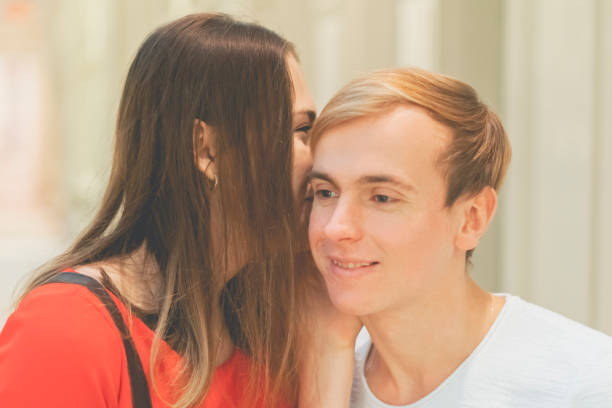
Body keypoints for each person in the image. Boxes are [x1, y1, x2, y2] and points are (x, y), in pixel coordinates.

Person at [0, 13, 316, 408]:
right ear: (206, 149)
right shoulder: (66, 328)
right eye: (300, 130)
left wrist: (334, 342)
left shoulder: (268, 338)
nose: (317, 159)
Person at [304, 68, 612, 407]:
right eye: (325, 192)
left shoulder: (584, 386)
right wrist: (328, 353)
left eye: (382, 197)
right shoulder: (318, 376)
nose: (336, 228)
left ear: (472, 218)